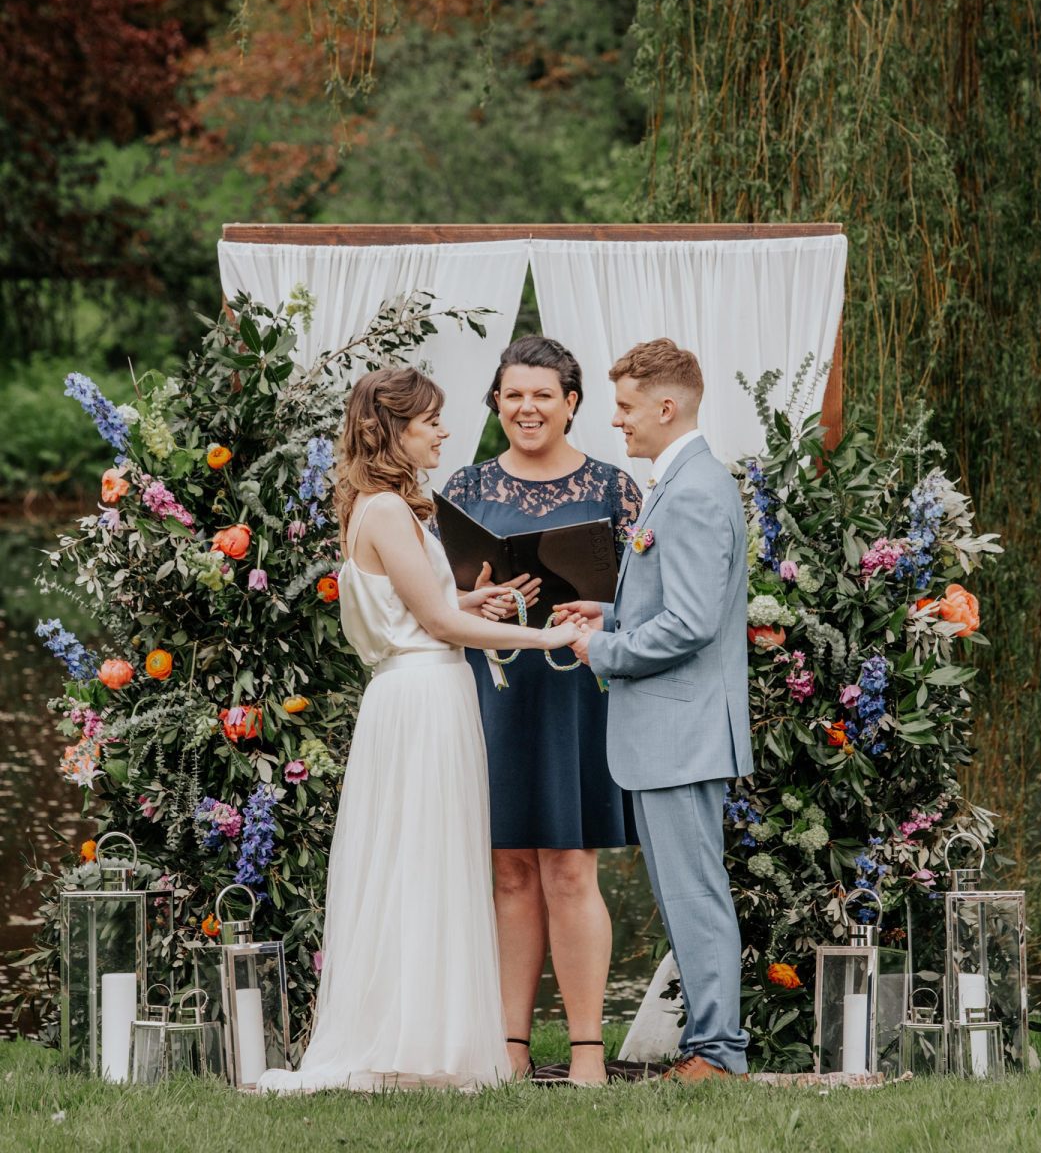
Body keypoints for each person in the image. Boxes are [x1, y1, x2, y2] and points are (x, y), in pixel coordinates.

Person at [258, 366, 581, 1093]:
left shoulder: (394, 510)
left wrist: (482, 599)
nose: (443, 430)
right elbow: (433, 624)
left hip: (431, 688)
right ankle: (406, 1039)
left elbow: (430, 603)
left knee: (431, 859)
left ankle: (428, 1036)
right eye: (430, 420)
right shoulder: (383, 511)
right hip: (420, 695)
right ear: (393, 430)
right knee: (415, 862)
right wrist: (546, 641)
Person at [440, 335, 641, 1085]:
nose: (527, 408)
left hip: (573, 689)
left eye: (542, 396)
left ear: (572, 404)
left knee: (568, 866)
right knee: (508, 872)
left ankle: (587, 1049)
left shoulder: (616, 489)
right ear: (496, 403)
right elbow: (435, 596)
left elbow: (651, 598)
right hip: (492, 687)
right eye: (513, 395)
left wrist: (608, 614)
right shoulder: (464, 486)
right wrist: (475, 599)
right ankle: (510, 1047)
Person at [556, 338, 754, 1083]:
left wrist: (601, 651)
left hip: (683, 732)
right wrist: (609, 613)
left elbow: (693, 622)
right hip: (675, 731)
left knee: (695, 895)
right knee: (685, 892)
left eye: (628, 407)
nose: (618, 422)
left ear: (666, 407)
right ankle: (711, 1046)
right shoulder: (684, 482)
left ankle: (718, 1053)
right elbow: (671, 604)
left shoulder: (695, 489)